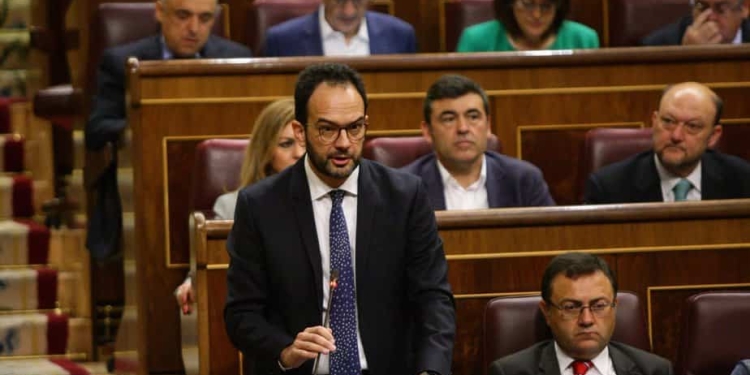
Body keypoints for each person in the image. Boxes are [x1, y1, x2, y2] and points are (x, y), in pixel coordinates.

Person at [224, 63, 455, 375]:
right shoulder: (260, 205)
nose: (344, 142)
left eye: (355, 127)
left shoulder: (404, 196)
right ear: (299, 131)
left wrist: (431, 370)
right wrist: (285, 350)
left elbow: (434, 297)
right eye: (327, 129)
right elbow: (242, 313)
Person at [85, 0, 252, 261]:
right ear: (160, 12)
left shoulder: (237, 58)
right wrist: (148, 125)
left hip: (223, 183)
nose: (194, 28)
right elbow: (96, 128)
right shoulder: (122, 62)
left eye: (205, 18)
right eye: (183, 16)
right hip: (151, 188)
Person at [175, 98, 304, 314]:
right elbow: (213, 267)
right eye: (286, 144)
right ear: (265, 151)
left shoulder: (333, 202)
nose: (299, 153)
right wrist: (192, 283)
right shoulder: (230, 206)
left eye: (306, 143)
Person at [489, 252, 673, 375]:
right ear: (547, 312)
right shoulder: (509, 372)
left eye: (599, 306)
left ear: (614, 306)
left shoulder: (654, 370)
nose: (586, 320)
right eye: (571, 307)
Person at [402, 74, 555, 210]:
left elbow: (550, 239)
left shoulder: (523, 180)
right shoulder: (404, 189)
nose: (463, 128)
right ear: (428, 131)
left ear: (488, 126)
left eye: (473, 117)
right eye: (449, 119)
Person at [584, 82, 750, 204]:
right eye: (668, 121)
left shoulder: (742, 180)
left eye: (692, 126)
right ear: (654, 122)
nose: (676, 136)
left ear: (713, 135)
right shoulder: (610, 188)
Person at [263, 0, 417, 57]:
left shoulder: (401, 36)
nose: (349, 11)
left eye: (357, 1)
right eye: (339, 1)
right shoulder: (282, 41)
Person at [456, 0, 599, 52]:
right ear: (509, 4)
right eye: (528, 4)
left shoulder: (584, 40)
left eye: (546, 6)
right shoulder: (475, 41)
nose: (537, 14)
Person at [641, 0, 750, 46]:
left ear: (745, 8)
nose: (710, 17)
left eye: (721, 9)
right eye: (701, 7)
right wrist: (689, 56)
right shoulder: (659, 45)